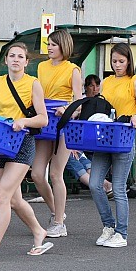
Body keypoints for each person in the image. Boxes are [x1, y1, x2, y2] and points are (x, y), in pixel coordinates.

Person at [0, 43, 50, 263]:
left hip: (22, 142)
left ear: (27, 62)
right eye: (12, 56)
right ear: (6, 60)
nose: (16, 60)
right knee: (14, 200)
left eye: (20, 57)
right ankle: (38, 231)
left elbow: (43, 118)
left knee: (2, 196)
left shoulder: (33, 84)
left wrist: (23, 121)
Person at [89, 43, 136, 248]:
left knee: (119, 188)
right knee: (94, 183)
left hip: (124, 136)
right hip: (104, 137)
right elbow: (102, 109)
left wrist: (135, 117)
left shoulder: (135, 81)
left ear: (128, 61)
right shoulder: (106, 82)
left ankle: (121, 233)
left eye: (121, 61)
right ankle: (108, 226)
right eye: (114, 61)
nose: (117, 65)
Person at [30, 29, 82, 238]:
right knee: (36, 174)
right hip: (45, 121)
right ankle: (56, 212)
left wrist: (66, 110)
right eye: (48, 44)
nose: (49, 48)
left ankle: (59, 222)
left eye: (53, 44)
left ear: (63, 46)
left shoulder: (73, 70)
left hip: (64, 123)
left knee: (55, 173)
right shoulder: (41, 67)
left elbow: (79, 102)